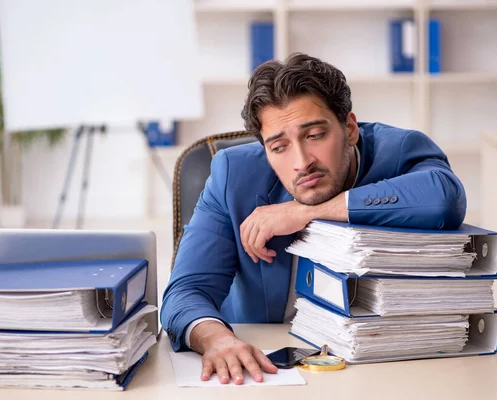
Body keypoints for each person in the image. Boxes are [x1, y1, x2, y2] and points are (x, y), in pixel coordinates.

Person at [160, 53, 467, 385]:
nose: (302, 162)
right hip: (269, 372)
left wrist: (308, 211)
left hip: (381, 368)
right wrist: (216, 338)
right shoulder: (233, 174)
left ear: (349, 128)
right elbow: (186, 291)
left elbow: (445, 199)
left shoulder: (399, 151)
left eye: (315, 135)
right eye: (279, 147)